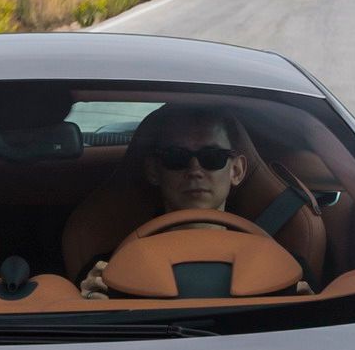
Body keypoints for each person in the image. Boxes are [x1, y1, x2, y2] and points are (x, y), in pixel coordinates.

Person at [80, 106, 246, 297]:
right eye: (176, 157)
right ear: (153, 170)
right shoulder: (112, 268)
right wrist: (88, 303)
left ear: (236, 170)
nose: (194, 170)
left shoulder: (261, 257)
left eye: (212, 157)